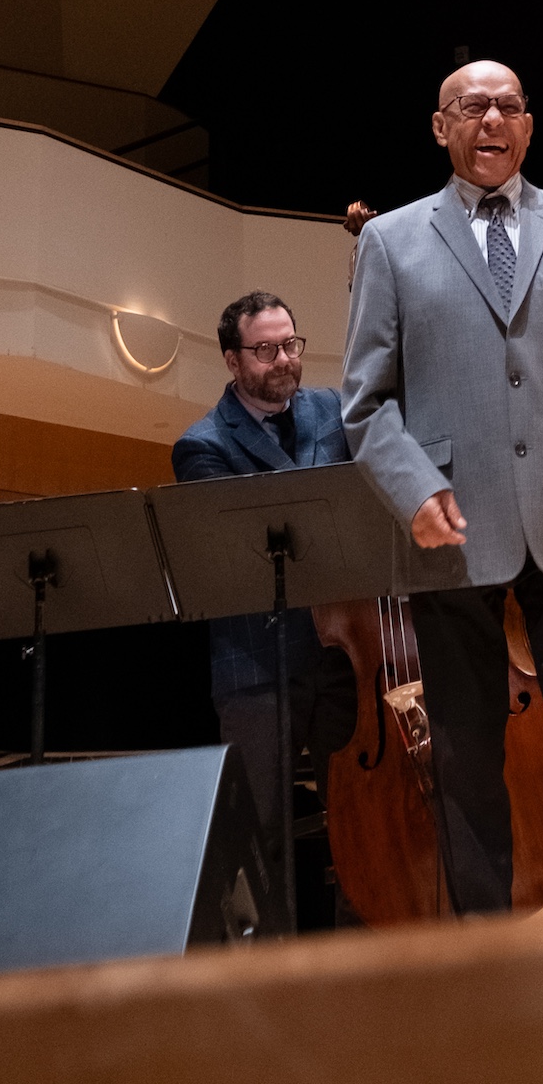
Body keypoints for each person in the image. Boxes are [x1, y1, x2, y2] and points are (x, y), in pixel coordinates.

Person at [339, 60, 543, 914]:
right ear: (439, 125)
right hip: (450, 524)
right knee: (464, 748)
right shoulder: (391, 240)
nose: (492, 119)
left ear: (529, 123)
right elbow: (365, 402)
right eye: (472, 106)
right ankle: (486, 944)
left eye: (507, 105)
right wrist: (412, 491)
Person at [171, 291, 360, 880]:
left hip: (343, 657)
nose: (283, 360)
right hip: (258, 666)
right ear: (232, 360)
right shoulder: (203, 445)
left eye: (290, 345)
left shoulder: (332, 409)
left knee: (360, 829)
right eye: (265, 350)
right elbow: (233, 560)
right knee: (261, 844)